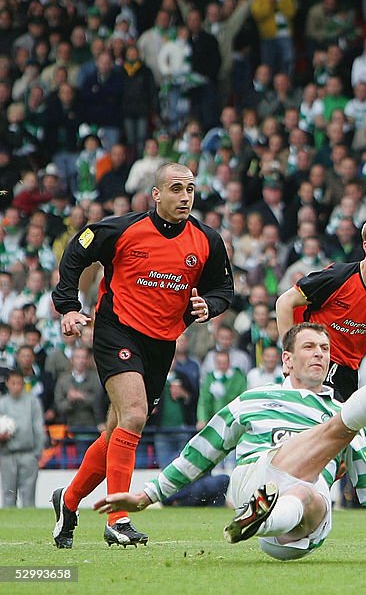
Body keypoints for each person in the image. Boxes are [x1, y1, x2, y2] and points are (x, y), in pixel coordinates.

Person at [95, 315, 366, 563]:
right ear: (286, 360)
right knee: (336, 431)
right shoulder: (253, 401)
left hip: (303, 525)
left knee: (310, 487)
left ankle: (261, 519)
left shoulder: (343, 414)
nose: (319, 353)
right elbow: (201, 451)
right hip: (255, 480)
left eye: (325, 349)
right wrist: (147, 496)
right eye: (310, 347)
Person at [50, 163, 234, 548]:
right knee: (134, 415)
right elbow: (77, 250)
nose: (185, 197)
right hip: (116, 328)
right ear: (156, 194)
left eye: (190, 189)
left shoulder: (206, 240)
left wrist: (209, 307)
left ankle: (68, 500)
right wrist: (68, 305)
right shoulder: (122, 229)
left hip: (162, 343)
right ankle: (118, 519)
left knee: (119, 429)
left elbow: (222, 289)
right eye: (176, 189)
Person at [275, 213, 366, 402]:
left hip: (349, 372)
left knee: (336, 429)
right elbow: (284, 303)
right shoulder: (338, 277)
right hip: (316, 359)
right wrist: (290, 354)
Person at [0, 370, 46, 507]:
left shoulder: (32, 402)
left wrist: (37, 452)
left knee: (29, 495)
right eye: (13, 383)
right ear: (7, 384)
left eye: (19, 383)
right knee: (8, 494)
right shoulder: (2, 403)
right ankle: (7, 526)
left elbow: (38, 427)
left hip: (28, 453)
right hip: (7, 454)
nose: (16, 387)